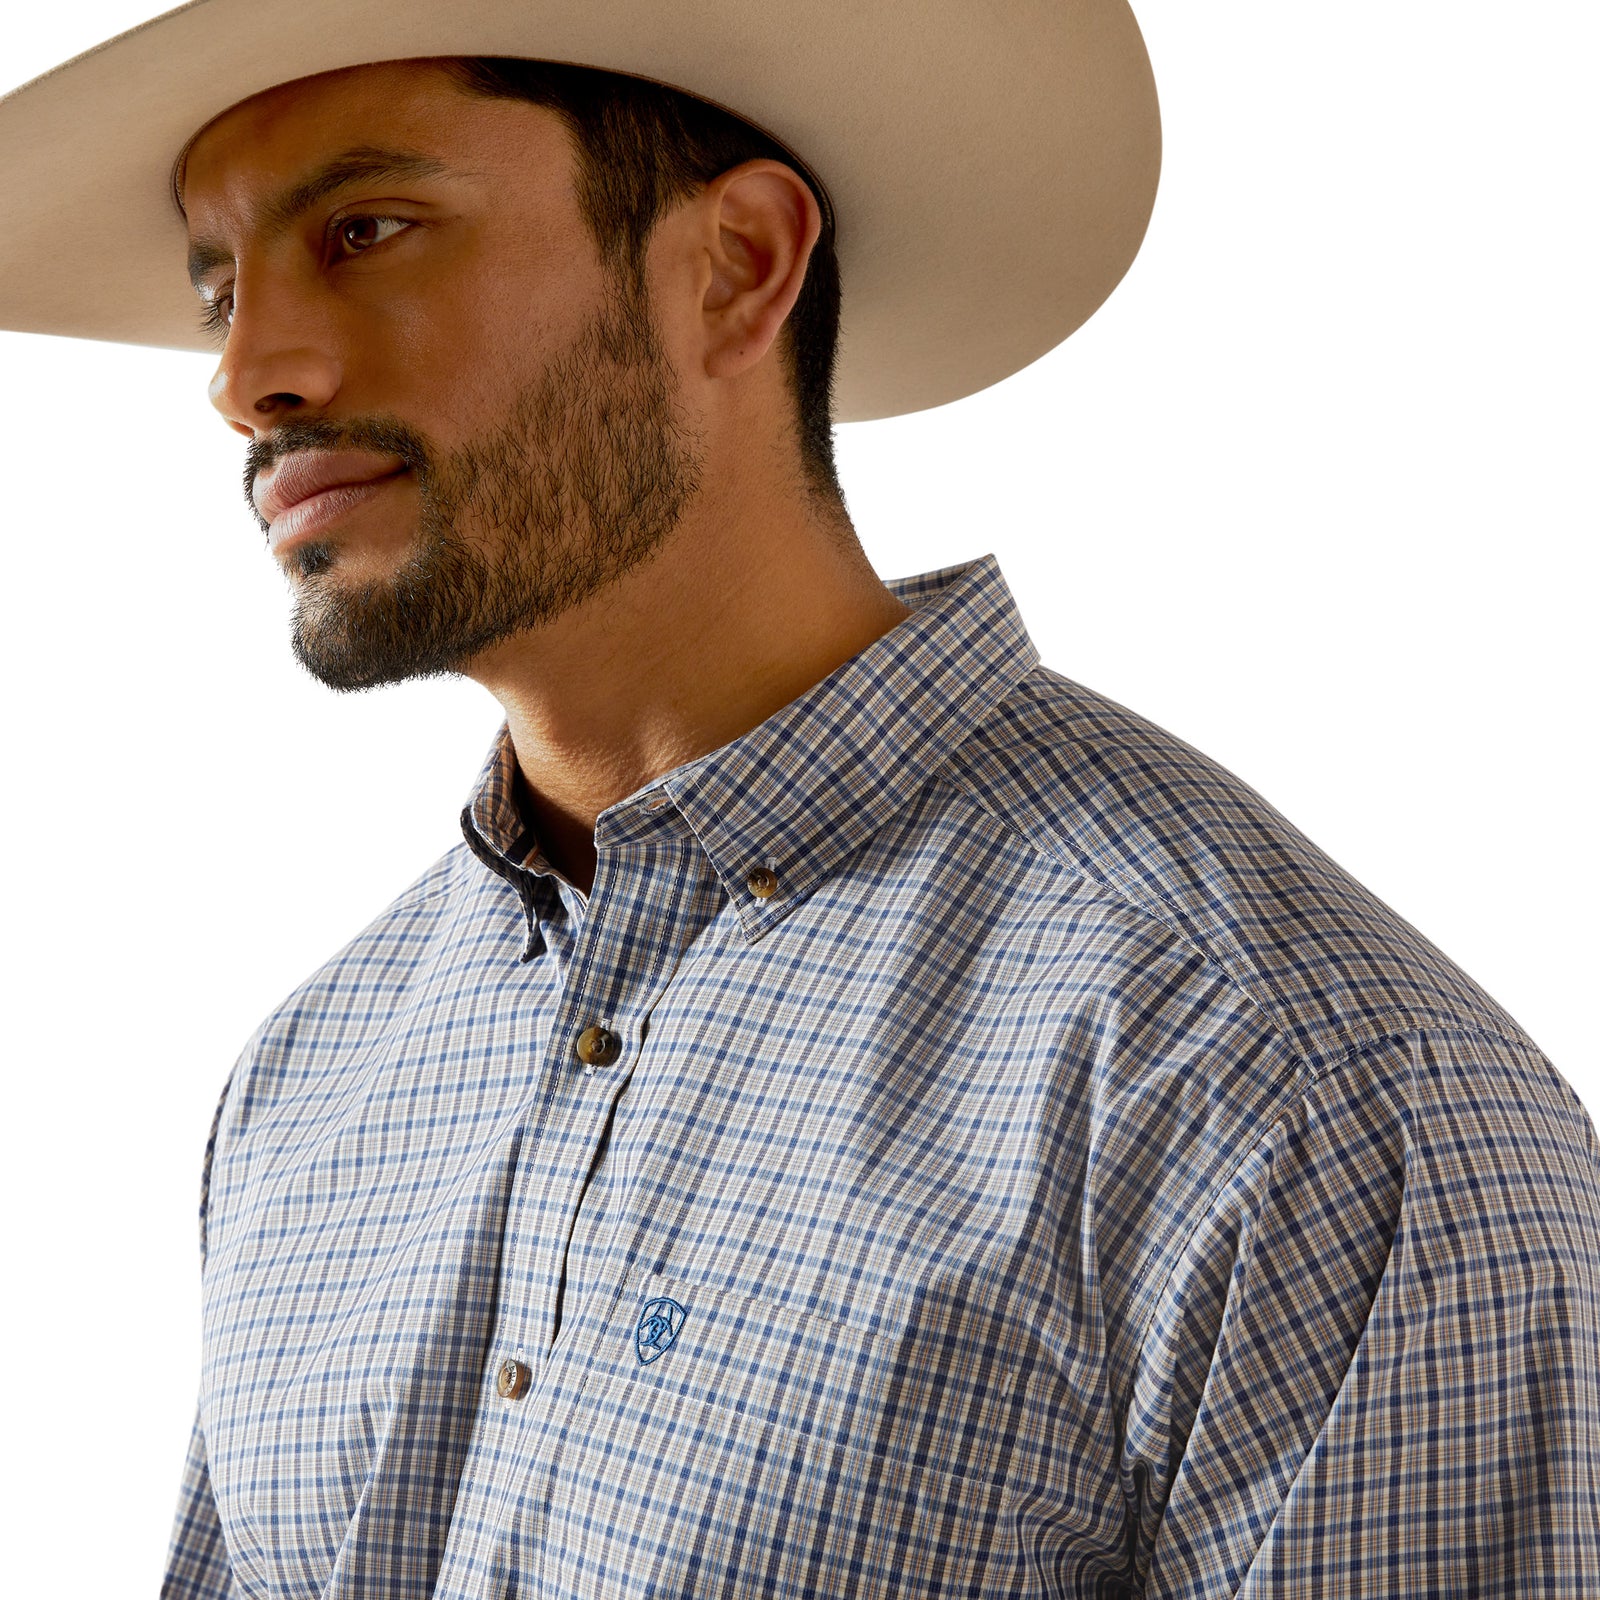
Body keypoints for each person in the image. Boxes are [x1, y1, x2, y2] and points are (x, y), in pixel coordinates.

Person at [2, 4, 1596, 1596]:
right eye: (221, 290)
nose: (246, 377)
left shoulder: (1279, 1087)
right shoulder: (311, 1084)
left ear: (738, 265)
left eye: (366, 230)